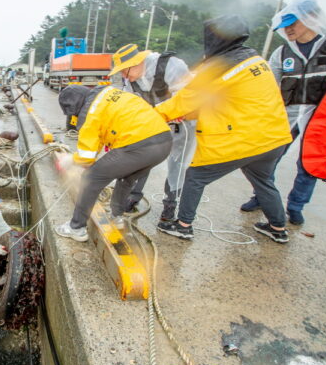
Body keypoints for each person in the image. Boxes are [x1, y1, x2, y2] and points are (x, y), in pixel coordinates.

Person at [155, 14, 293, 243]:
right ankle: (278, 228)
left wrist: (151, 114)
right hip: (274, 138)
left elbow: (182, 102)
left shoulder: (218, 67)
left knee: (195, 177)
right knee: (263, 181)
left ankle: (183, 225)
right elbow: (234, 100)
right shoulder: (255, 59)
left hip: (243, 140)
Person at [240, 0, 326, 225]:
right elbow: (267, 85)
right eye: (284, 25)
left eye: (292, 23)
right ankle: (261, 196)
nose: (287, 30)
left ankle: (296, 207)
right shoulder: (282, 52)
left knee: (309, 163)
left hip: (321, 116)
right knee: (268, 158)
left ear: (310, 19)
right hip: (287, 112)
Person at [55, 83, 172, 242]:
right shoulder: (107, 95)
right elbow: (97, 140)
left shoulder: (89, 113)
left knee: (91, 178)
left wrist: (69, 160)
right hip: (163, 142)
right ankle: (116, 217)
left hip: (138, 145)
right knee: (126, 177)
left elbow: (86, 158)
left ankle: (76, 228)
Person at [112, 44, 197, 220]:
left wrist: (166, 112)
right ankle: (133, 196)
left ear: (136, 63)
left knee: (177, 163)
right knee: (142, 157)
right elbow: (130, 103)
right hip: (154, 122)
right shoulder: (130, 80)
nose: (123, 76)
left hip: (181, 123)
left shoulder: (170, 66)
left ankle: (171, 204)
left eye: (124, 71)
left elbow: (188, 96)